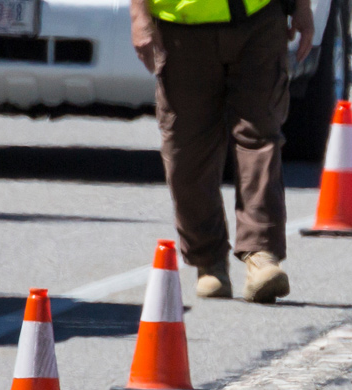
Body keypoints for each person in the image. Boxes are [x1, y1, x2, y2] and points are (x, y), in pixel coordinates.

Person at [130, 0, 313, 303]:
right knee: (187, 153)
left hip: (260, 16)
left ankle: (261, 255)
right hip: (182, 26)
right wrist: (139, 16)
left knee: (260, 137)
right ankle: (209, 260)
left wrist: (302, 6)